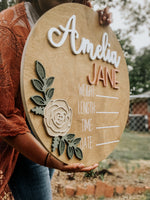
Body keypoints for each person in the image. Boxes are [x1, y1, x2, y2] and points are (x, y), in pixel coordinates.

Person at [0, 0, 112, 199]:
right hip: (21, 140)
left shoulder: (64, 19)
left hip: (50, 131)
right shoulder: (8, 31)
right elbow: (4, 117)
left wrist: (97, 24)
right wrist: (46, 158)